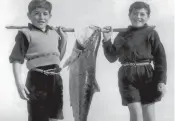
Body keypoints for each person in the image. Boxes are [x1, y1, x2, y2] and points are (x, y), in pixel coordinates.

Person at [102, 1, 167, 121]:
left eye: (142, 14)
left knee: (149, 117)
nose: (138, 17)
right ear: (129, 15)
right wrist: (106, 41)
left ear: (147, 17)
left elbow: (160, 59)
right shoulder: (122, 35)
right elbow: (112, 58)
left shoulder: (151, 33)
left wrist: (161, 81)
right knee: (136, 115)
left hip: (147, 75)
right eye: (135, 13)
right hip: (127, 76)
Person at [9, 0, 67, 121]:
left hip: (56, 79)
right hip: (37, 80)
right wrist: (19, 83)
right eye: (36, 13)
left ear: (50, 16)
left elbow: (57, 58)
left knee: (55, 117)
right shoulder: (25, 34)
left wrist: (64, 39)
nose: (41, 17)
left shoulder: (55, 33)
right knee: (38, 117)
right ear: (29, 15)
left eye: (45, 14)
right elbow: (16, 60)